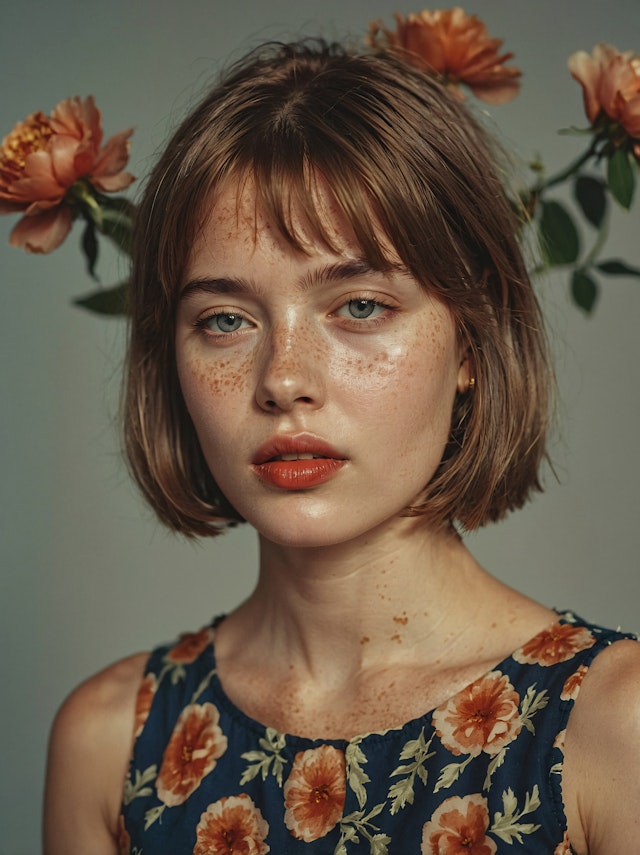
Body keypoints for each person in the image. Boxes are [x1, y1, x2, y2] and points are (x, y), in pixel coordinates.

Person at [43, 38, 639, 855]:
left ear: (472, 341)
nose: (284, 379)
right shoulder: (107, 745)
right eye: (225, 320)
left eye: (359, 305)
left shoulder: (616, 728)